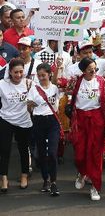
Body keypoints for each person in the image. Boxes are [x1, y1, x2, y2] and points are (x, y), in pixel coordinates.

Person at [66, 57, 105, 201]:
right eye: (90, 69)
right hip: (79, 120)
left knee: (95, 154)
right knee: (79, 154)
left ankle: (95, 187)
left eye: (95, 68)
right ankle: (82, 172)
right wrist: (60, 68)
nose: (93, 71)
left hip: (96, 120)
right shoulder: (76, 81)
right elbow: (60, 84)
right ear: (83, 71)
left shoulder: (100, 81)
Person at [0, 59, 35, 193]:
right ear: (10, 72)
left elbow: (38, 99)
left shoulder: (29, 83)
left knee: (23, 149)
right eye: (16, 72)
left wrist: (32, 105)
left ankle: (24, 175)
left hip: (24, 121)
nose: (19, 75)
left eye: (21, 72)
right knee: (4, 149)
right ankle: (3, 177)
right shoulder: (2, 84)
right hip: (5, 119)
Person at [29, 63, 62, 196]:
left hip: (52, 121)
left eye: (44, 75)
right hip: (38, 121)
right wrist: (32, 105)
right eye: (39, 75)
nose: (41, 77)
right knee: (42, 153)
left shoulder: (55, 88)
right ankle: (45, 180)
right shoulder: (33, 89)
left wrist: (59, 67)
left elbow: (60, 84)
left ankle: (54, 182)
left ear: (49, 74)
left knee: (53, 153)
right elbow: (29, 107)